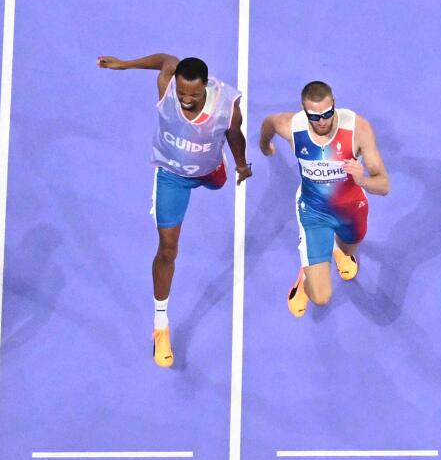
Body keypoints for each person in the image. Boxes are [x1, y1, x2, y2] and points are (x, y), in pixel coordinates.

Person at [97, 51, 250, 368]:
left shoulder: (227, 106)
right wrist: (125, 65)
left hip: (209, 170)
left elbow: (235, 136)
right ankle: (160, 325)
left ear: (205, 86)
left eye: (193, 95)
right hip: (172, 176)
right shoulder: (167, 83)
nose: (186, 100)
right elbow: (166, 58)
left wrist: (240, 165)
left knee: (218, 181)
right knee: (167, 249)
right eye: (182, 93)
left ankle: (214, 165)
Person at [258, 81, 390, 316]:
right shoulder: (292, 126)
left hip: (352, 211)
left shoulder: (357, 129)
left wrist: (363, 181)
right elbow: (269, 123)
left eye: (327, 114)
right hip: (313, 211)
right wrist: (264, 144)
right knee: (320, 297)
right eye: (314, 116)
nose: (321, 121)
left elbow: (384, 185)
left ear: (334, 106)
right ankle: (305, 278)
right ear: (303, 109)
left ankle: (335, 251)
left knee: (347, 249)